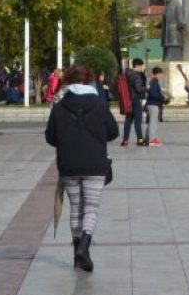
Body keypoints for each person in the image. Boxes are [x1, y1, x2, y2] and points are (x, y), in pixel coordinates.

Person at [45, 64, 118, 273]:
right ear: (89, 81)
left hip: (68, 164)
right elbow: (112, 132)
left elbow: (50, 137)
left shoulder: (59, 106)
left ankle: (78, 252)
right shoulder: (99, 105)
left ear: (68, 80)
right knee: (91, 208)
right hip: (95, 164)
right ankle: (84, 247)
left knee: (76, 208)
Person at [121, 59, 148, 147]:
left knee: (128, 121)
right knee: (138, 120)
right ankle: (140, 140)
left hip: (128, 100)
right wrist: (147, 88)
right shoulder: (136, 76)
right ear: (137, 65)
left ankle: (125, 140)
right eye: (141, 66)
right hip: (136, 100)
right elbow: (139, 89)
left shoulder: (127, 74)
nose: (142, 68)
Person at [146, 66, 166, 146]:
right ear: (157, 74)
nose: (161, 76)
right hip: (153, 104)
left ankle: (148, 138)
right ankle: (152, 140)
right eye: (161, 74)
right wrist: (162, 97)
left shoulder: (153, 81)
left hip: (152, 104)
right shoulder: (154, 82)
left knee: (151, 122)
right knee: (153, 123)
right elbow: (153, 94)